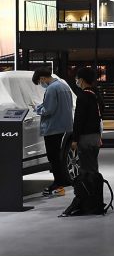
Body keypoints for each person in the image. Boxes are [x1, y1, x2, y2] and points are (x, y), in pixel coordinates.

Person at [32, 67, 74, 196]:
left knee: (53, 157)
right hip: (63, 126)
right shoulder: (63, 86)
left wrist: (37, 109)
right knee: (58, 156)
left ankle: (58, 184)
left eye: (39, 82)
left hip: (53, 127)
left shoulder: (51, 88)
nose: (41, 84)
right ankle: (62, 181)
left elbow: (48, 109)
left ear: (43, 78)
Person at [71, 67, 102, 178]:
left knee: (86, 168)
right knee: (93, 165)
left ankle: (88, 192)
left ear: (82, 80)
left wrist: (75, 139)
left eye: (77, 78)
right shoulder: (96, 94)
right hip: (95, 136)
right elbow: (100, 115)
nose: (77, 81)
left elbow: (79, 119)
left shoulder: (83, 96)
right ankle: (95, 191)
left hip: (85, 137)